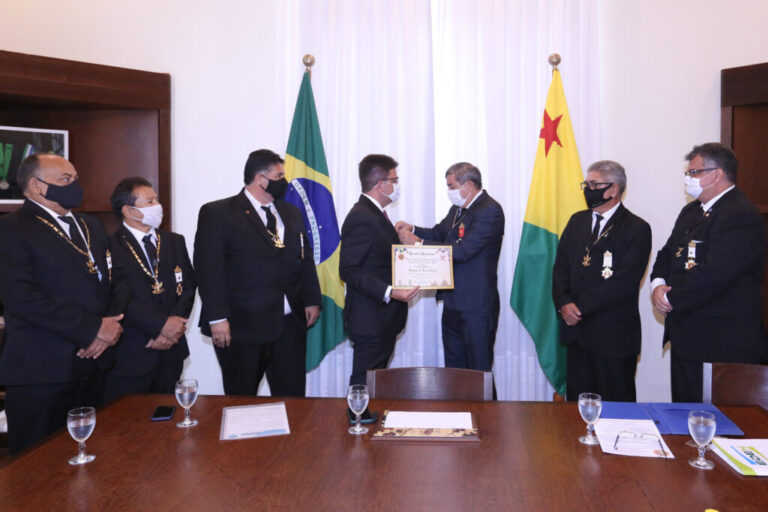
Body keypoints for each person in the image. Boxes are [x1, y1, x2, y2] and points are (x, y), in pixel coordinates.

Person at [0, 154, 125, 453]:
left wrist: (108, 328)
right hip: (42, 370)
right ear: (36, 185)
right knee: (37, 467)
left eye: (75, 179)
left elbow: (114, 279)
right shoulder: (11, 228)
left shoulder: (90, 225)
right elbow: (21, 298)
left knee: (88, 461)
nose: (75, 186)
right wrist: (93, 328)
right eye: (65, 180)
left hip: (93, 367)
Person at [194, 149, 320, 397]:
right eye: (279, 175)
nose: (284, 181)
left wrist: (312, 299)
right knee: (242, 401)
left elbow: (304, 259)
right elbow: (209, 269)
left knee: (292, 399)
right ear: (260, 178)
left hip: (289, 326)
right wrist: (217, 318)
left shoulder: (290, 213)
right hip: (242, 328)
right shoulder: (218, 213)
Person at [651, 143, 767, 402]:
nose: (688, 179)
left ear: (716, 174)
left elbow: (716, 274)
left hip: (721, 343)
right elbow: (667, 253)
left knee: (717, 426)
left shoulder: (739, 213)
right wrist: (657, 285)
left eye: (694, 172)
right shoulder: (691, 211)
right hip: (687, 338)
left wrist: (671, 299)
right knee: (684, 419)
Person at [552, 160, 651, 402]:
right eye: (586, 184)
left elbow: (624, 282)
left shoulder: (636, 228)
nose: (588, 189)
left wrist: (581, 308)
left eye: (594, 184)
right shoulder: (577, 221)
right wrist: (564, 302)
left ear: (614, 189)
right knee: (578, 409)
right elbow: (560, 268)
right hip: (577, 335)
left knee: (616, 409)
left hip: (613, 337)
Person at [396, 162, 504, 374]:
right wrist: (413, 229)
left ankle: (485, 410)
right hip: (453, 303)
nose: (449, 192)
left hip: (476, 308)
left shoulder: (490, 210)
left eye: (452, 186)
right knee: (455, 373)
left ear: (469, 185)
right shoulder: (458, 209)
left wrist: (417, 244)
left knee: (478, 373)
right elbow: (439, 232)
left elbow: (463, 251)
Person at [103, 177, 196, 403]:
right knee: (130, 425)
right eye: (150, 201)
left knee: (167, 419)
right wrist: (159, 327)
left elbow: (188, 287)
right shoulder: (109, 245)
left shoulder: (174, 241)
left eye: (156, 200)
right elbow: (118, 294)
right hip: (133, 352)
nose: (158, 206)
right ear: (129, 210)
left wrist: (173, 326)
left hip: (172, 350)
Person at [340, 154, 419, 386]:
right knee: (364, 385)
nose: (397, 186)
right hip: (370, 320)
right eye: (394, 180)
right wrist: (390, 291)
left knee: (375, 385)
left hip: (382, 320)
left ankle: (367, 421)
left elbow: (378, 259)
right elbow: (349, 269)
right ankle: (357, 422)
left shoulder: (375, 214)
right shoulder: (361, 217)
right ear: (380, 184)